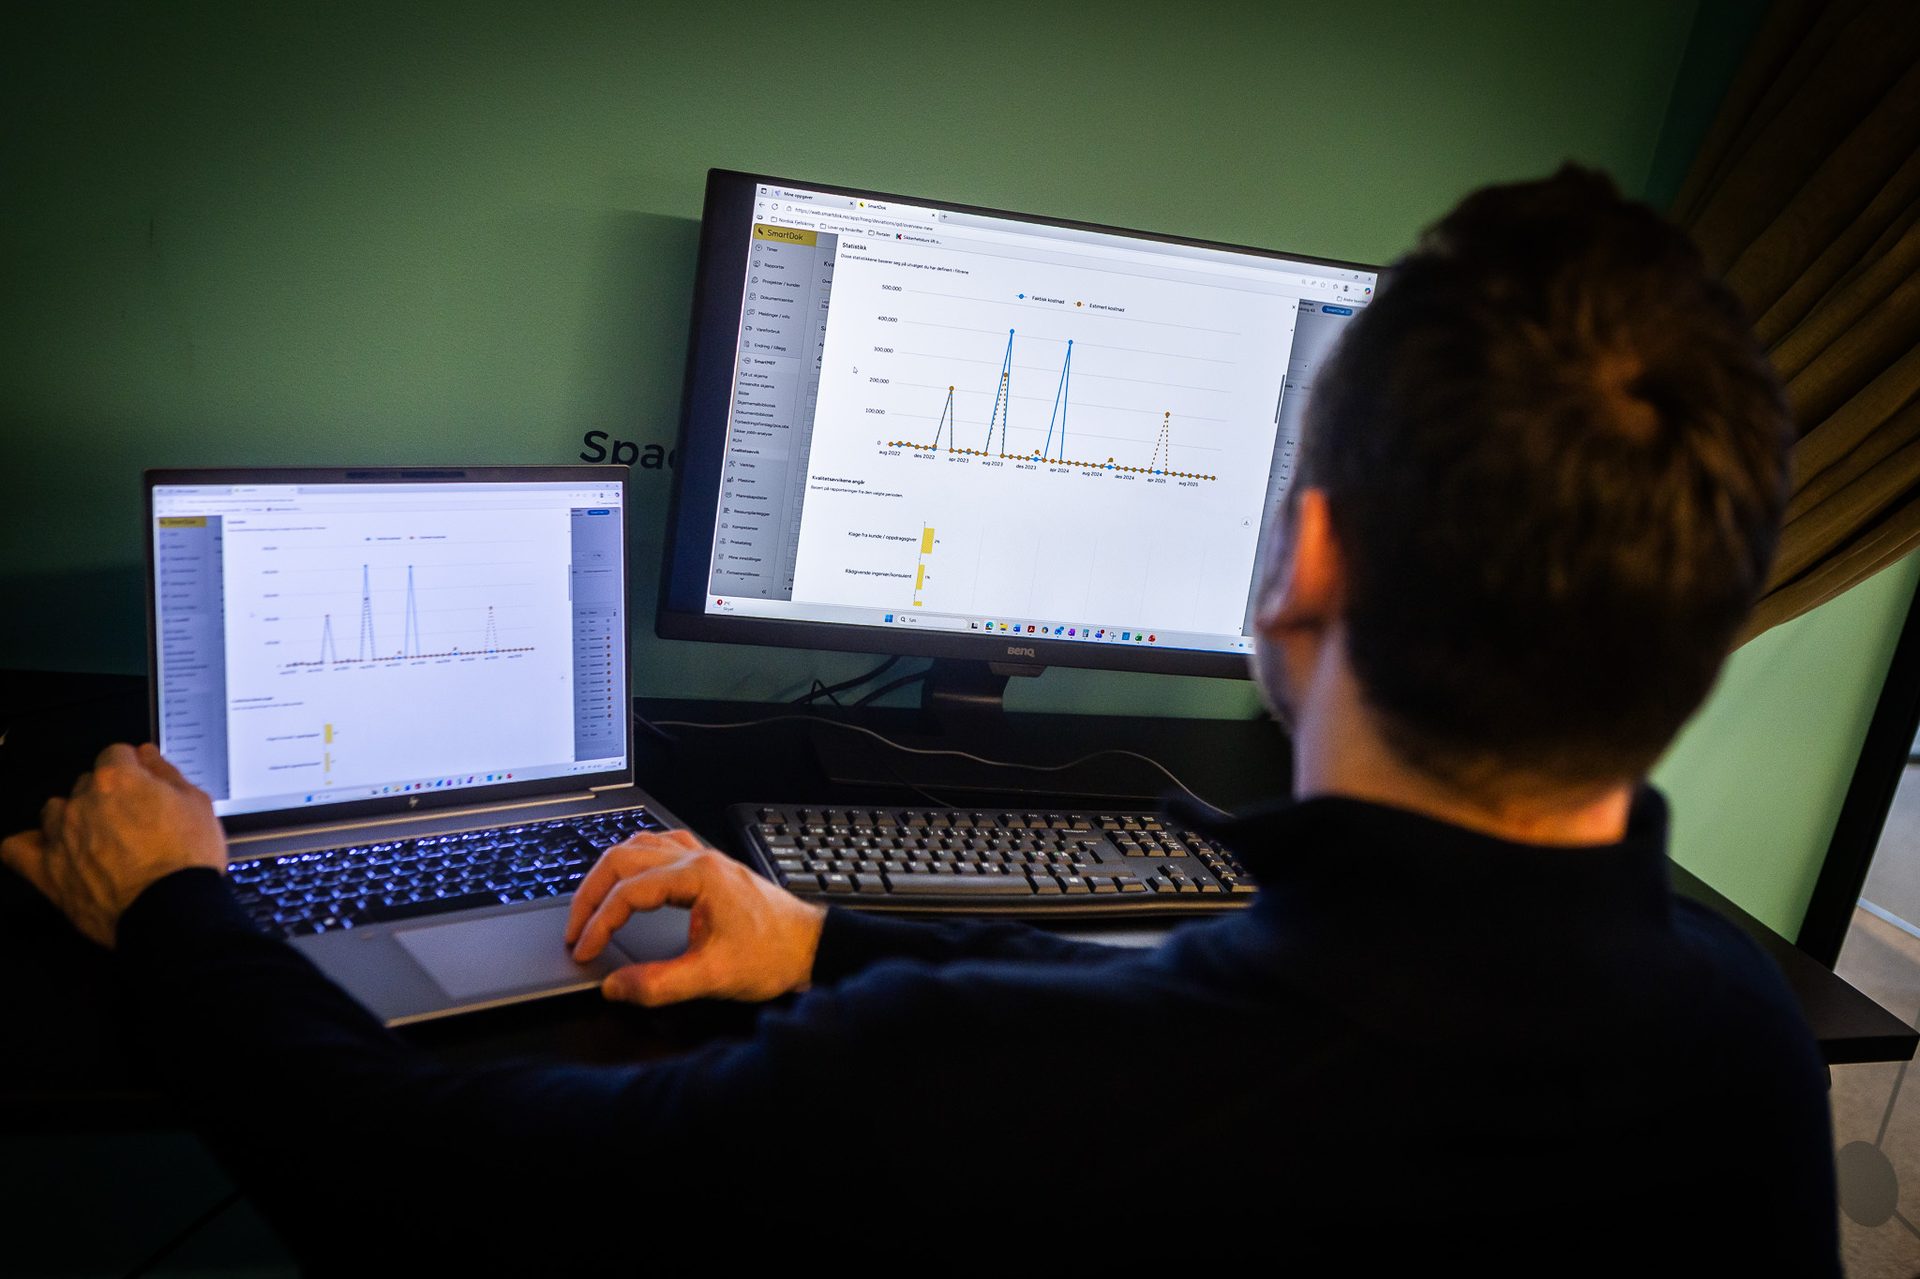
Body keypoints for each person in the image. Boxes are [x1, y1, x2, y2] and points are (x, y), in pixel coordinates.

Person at [3, 166, 1836, 1274]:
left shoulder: (982, 1098)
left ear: (1307, 564)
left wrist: (177, 908)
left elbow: (426, 1209)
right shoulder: (1739, 1045)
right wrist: (827, 945)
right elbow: (1235, 1028)